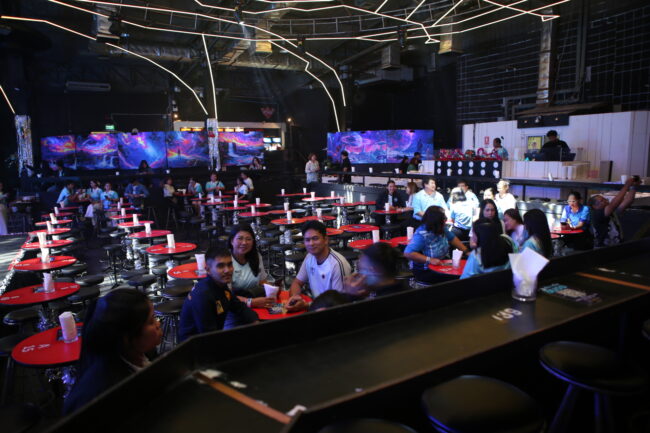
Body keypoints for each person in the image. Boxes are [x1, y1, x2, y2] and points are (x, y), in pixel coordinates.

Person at [63, 289, 162, 415]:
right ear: (126, 338)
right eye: (151, 321)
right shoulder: (107, 392)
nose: (158, 324)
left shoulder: (143, 352)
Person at [178, 247, 258, 341]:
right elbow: (209, 336)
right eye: (221, 266)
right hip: (193, 346)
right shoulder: (203, 295)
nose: (227, 270)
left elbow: (239, 307)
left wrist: (255, 321)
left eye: (230, 264)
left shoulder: (221, 285)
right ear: (208, 270)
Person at [286, 221, 352, 311]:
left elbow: (339, 304)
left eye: (315, 238)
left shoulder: (337, 264)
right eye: (307, 240)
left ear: (326, 240)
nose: (311, 243)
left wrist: (307, 305)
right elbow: (297, 283)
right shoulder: (309, 257)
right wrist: (295, 297)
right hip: (314, 307)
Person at [404, 206, 468, 284]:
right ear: (435, 221)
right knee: (456, 278)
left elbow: (452, 238)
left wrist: (466, 251)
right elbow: (408, 253)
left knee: (463, 273)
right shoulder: (422, 234)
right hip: (426, 270)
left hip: (442, 263)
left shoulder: (441, 228)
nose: (445, 220)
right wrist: (430, 260)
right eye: (443, 219)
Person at [227, 225, 273, 308]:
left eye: (248, 239)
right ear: (232, 241)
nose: (244, 242)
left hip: (256, 299)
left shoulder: (256, 256)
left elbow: (262, 281)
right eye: (240, 238)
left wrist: (271, 289)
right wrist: (251, 302)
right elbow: (226, 295)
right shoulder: (226, 261)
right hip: (235, 306)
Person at [342, 242, 408, 300]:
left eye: (361, 270)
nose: (359, 276)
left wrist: (352, 296)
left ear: (375, 270)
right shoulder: (405, 289)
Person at [588, 177, 639, 247]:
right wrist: (627, 185)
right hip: (603, 248)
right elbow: (614, 204)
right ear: (594, 206)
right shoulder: (596, 214)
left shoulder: (610, 211)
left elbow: (628, 201)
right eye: (601, 201)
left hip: (616, 245)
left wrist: (633, 187)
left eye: (604, 199)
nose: (605, 201)